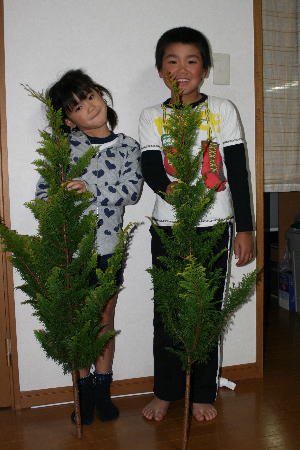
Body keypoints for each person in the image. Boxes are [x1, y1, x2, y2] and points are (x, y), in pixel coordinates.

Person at [139, 27, 254, 423]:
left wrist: (245, 228)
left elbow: (237, 173)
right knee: (167, 310)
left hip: (215, 225)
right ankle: (166, 390)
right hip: (167, 227)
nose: (181, 68)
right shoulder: (152, 116)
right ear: (160, 70)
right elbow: (152, 166)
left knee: (207, 309)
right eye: (172, 60)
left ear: (204, 69)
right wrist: (176, 195)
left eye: (191, 60)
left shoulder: (221, 110)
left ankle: (203, 391)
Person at [36, 69, 142, 424]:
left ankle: (102, 391)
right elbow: (42, 194)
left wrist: (91, 189)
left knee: (103, 321)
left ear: (102, 95)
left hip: (109, 249)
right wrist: (58, 201)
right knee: (76, 322)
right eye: (77, 106)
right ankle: (82, 394)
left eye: (91, 97)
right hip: (70, 250)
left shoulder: (128, 146)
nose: (89, 107)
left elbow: (133, 191)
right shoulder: (64, 149)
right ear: (68, 120)